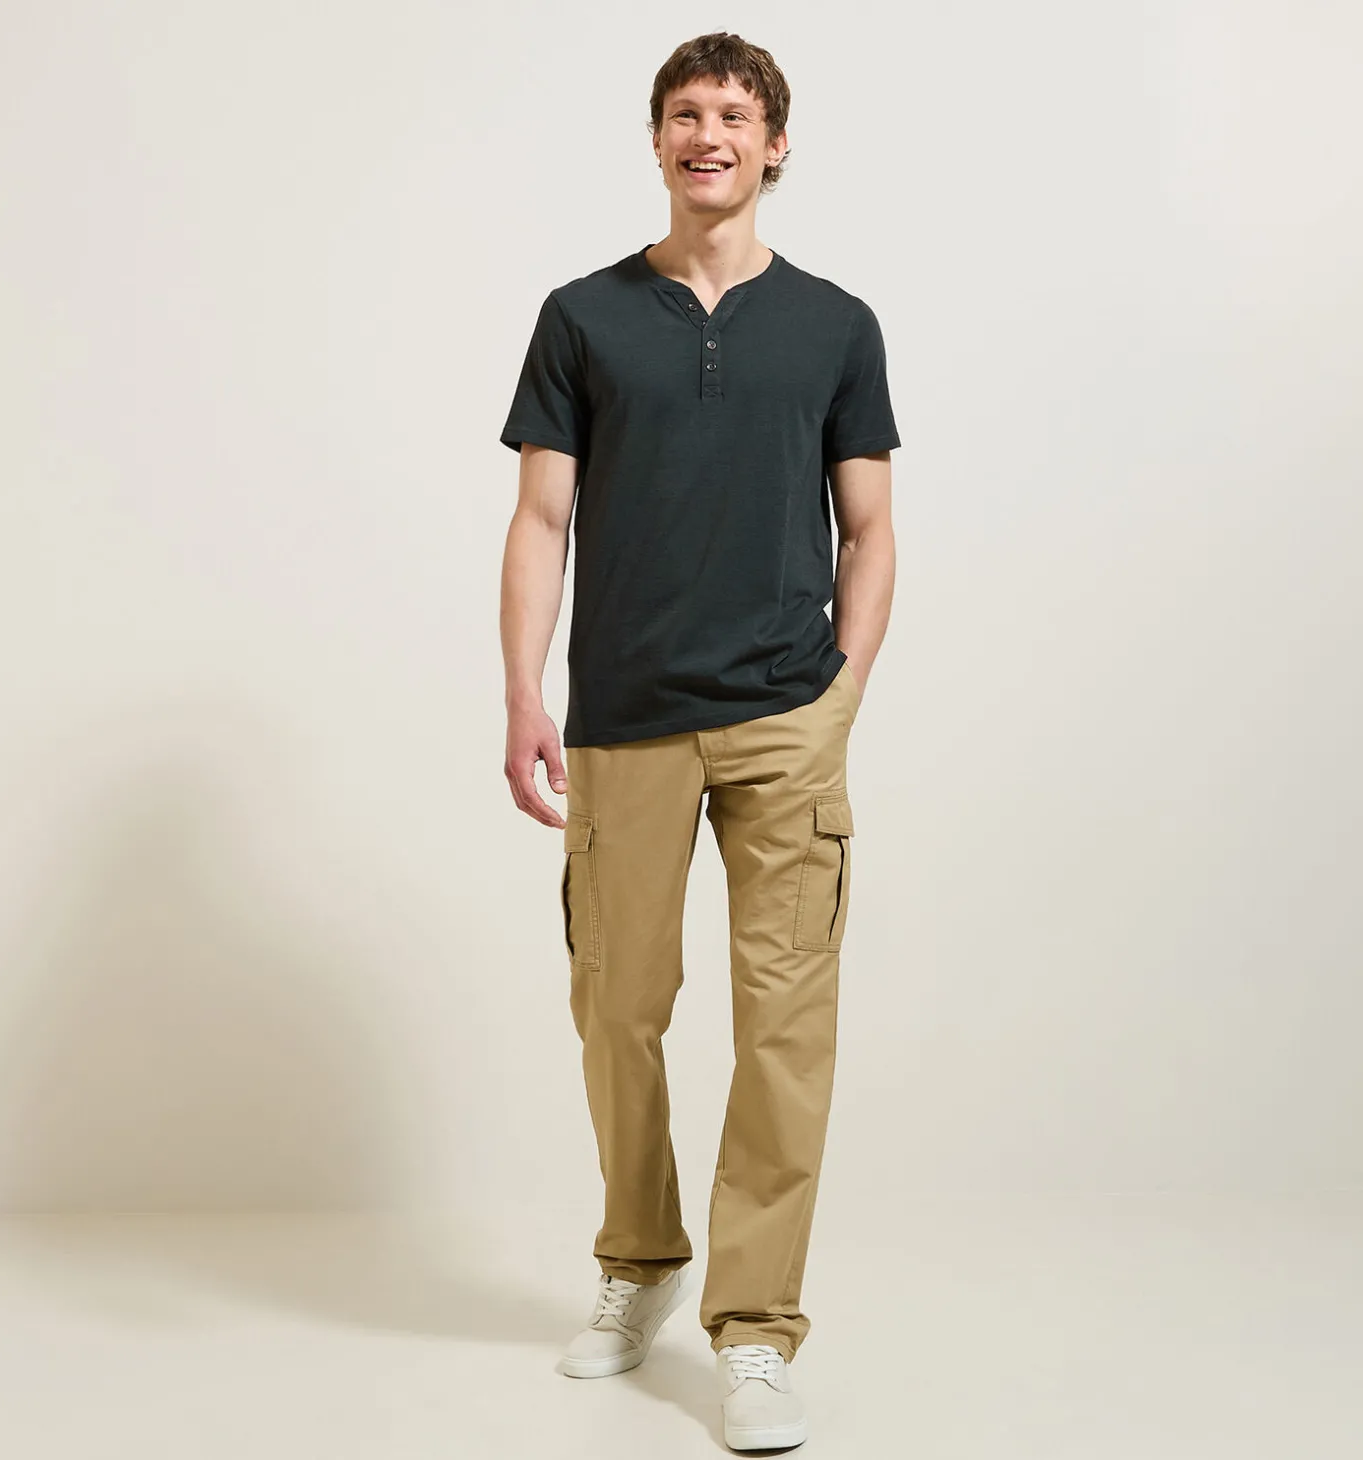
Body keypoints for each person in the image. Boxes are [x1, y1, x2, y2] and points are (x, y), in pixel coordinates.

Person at [497, 30, 899, 1453]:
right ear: (658, 140)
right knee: (618, 1007)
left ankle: (757, 1330)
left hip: (786, 720)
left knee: (785, 1027)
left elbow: (870, 529)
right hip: (624, 722)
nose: (707, 133)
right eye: (685, 111)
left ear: (774, 145)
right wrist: (525, 694)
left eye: (734, 113)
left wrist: (838, 695)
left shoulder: (836, 325)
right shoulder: (582, 316)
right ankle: (638, 1260)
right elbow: (541, 517)